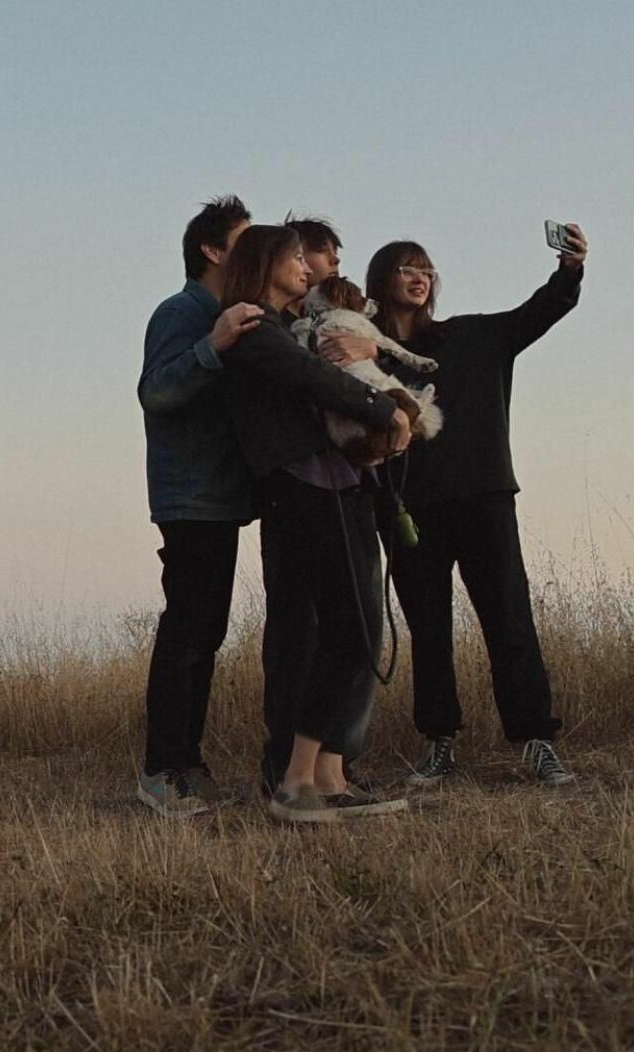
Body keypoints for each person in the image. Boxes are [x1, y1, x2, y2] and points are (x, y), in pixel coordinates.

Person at [365, 227, 589, 786]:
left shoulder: (472, 336)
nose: (420, 279)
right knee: (429, 629)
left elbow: (538, 313)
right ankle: (439, 743)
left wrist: (570, 270)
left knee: (509, 618)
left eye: (427, 271)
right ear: (382, 281)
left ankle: (537, 740)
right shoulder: (365, 356)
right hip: (407, 508)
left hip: (484, 497)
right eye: (407, 269)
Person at [216, 225, 417, 821]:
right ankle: (295, 783)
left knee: (351, 628)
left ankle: (326, 779)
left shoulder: (287, 325)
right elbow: (314, 379)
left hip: (332, 484)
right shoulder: (252, 322)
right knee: (346, 630)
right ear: (265, 262)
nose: (307, 267)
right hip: (302, 488)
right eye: (295, 257)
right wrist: (390, 410)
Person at [133, 196, 264, 818]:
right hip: (189, 498)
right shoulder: (182, 311)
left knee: (205, 632)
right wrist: (212, 346)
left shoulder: (233, 313)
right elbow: (155, 393)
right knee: (187, 630)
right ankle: (161, 771)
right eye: (244, 240)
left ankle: (189, 763)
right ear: (212, 251)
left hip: (221, 498)